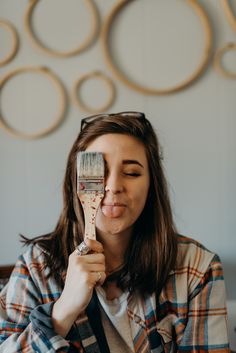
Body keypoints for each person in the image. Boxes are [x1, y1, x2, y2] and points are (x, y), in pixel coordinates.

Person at [0, 112, 230, 353]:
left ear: (152, 185)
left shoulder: (197, 268)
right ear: (75, 181)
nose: (113, 186)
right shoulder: (35, 267)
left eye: (131, 173)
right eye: (99, 172)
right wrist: (63, 310)